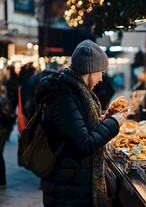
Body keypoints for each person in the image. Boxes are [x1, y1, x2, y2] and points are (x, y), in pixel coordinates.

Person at [34, 39, 126, 207]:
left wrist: (104, 121)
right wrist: (113, 123)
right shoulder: (65, 98)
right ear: (90, 70)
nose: (101, 79)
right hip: (68, 190)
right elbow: (84, 142)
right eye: (101, 72)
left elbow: (79, 129)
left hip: (73, 183)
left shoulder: (75, 92)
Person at [0, 85, 16, 187]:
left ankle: (2, 180)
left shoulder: (2, 100)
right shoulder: (5, 99)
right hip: (4, 131)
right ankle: (2, 180)